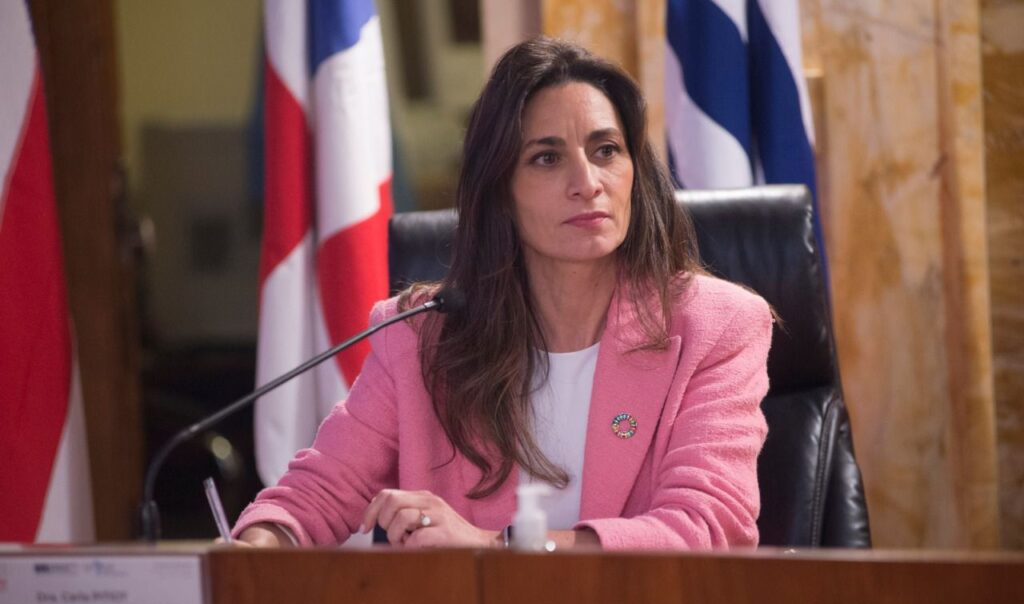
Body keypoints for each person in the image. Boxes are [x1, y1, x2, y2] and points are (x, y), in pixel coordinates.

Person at [233, 36, 772, 551]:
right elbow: (316, 494)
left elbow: (706, 530)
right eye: (547, 158)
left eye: (606, 150)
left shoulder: (716, 327)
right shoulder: (423, 337)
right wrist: (256, 547)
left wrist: (498, 546)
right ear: (501, 192)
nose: (588, 182)